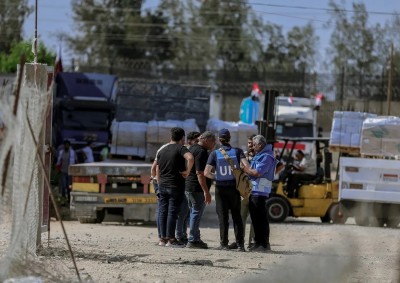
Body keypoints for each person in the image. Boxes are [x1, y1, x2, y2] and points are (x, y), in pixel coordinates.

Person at [204, 128, 249, 251]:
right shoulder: (238, 151)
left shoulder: (214, 153)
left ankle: (224, 244)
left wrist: (217, 176)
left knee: (223, 217)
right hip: (234, 189)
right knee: (237, 217)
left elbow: (206, 173)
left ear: (219, 139)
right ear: (230, 139)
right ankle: (240, 245)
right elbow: (247, 166)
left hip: (221, 188)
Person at [156, 127, 194, 247]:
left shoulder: (162, 150)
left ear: (170, 137)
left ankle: (162, 239)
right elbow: (191, 158)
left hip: (162, 184)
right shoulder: (180, 148)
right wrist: (188, 171)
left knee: (162, 211)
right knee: (172, 212)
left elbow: (157, 167)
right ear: (182, 138)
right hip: (175, 185)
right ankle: (171, 240)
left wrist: (158, 181)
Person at [242, 135, 280, 252]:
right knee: (255, 219)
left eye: (254, 145)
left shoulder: (266, 157)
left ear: (260, 145)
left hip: (260, 191)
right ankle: (258, 242)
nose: (252, 147)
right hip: (255, 190)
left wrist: (245, 168)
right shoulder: (261, 155)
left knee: (261, 219)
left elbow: (257, 172)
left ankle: (263, 244)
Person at [185, 131, 215, 249]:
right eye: (213, 142)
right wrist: (206, 192)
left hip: (189, 186)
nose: (214, 145)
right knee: (196, 213)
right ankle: (193, 240)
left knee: (193, 213)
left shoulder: (192, 148)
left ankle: (195, 238)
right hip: (196, 188)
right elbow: (200, 173)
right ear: (207, 140)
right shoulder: (202, 152)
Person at [175, 131, 201, 244]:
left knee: (187, 212)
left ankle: (183, 234)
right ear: (189, 141)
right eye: (196, 140)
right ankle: (179, 235)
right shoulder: (185, 151)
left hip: (189, 184)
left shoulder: (193, 151)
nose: (198, 143)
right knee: (183, 212)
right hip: (185, 184)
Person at [234, 134, 256, 250]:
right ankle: (239, 242)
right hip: (244, 192)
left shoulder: (261, 157)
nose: (251, 146)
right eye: (249, 143)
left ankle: (252, 242)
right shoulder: (243, 156)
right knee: (241, 217)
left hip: (256, 191)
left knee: (254, 218)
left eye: (253, 144)